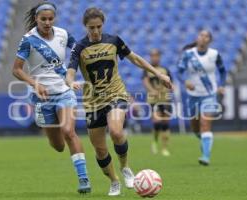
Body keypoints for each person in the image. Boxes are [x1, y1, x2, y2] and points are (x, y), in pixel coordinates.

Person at [66, 7, 173, 196]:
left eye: (99, 26)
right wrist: (70, 82)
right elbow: (71, 71)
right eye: (92, 28)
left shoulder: (113, 41)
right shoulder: (79, 47)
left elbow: (135, 59)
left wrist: (158, 74)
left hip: (116, 93)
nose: (96, 31)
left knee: (116, 131)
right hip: (93, 101)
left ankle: (125, 167)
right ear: (85, 27)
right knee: (100, 149)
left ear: (103, 24)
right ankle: (114, 181)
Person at [11, 2, 91, 193]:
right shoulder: (28, 40)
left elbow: (80, 52)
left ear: (54, 18)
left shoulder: (63, 34)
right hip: (42, 98)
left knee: (69, 131)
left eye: (50, 19)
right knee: (58, 146)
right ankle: (61, 145)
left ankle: (84, 179)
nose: (47, 22)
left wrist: (71, 78)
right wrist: (35, 84)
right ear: (36, 19)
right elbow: (16, 70)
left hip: (64, 92)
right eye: (43, 19)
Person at [177, 30, 227, 166]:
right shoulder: (188, 54)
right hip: (193, 96)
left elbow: (222, 70)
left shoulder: (214, 54)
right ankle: (204, 141)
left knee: (205, 123)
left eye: (206, 36)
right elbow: (179, 72)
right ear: (197, 38)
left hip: (209, 94)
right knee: (195, 128)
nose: (203, 38)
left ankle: (206, 156)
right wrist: (185, 81)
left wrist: (222, 85)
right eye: (201, 35)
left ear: (209, 40)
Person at [143, 49, 172, 156]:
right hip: (153, 100)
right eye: (152, 56)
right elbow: (145, 81)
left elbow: (170, 82)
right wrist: (151, 90)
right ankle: (155, 141)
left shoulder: (165, 70)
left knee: (165, 124)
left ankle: (165, 148)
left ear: (159, 57)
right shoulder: (147, 70)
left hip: (165, 99)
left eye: (156, 56)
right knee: (157, 122)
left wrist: (170, 88)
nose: (154, 58)